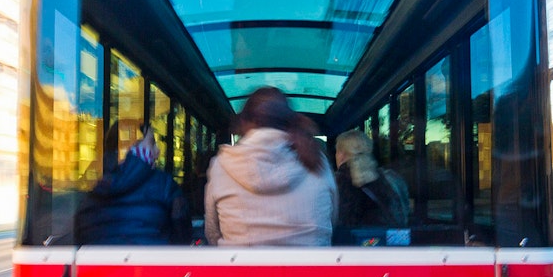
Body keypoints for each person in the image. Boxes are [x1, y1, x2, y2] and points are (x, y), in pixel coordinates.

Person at [204, 87, 337, 246]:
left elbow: (212, 232)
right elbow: (331, 219)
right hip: (314, 269)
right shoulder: (316, 160)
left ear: (245, 123)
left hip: (241, 269)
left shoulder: (221, 164)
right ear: (289, 122)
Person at [75, 124, 191, 245]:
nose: (158, 151)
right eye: (152, 143)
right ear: (132, 148)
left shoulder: (94, 187)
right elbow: (182, 236)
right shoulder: (165, 185)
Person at [334, 129, 410, 230]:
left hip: (350, 243)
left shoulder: (334, 182)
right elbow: (403, 214)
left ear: (341, 155)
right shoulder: (392, 179)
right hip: (390, 241)